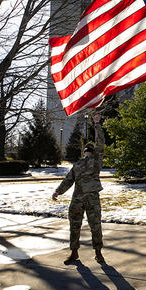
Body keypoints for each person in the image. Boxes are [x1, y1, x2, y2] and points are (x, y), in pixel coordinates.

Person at [52, 114, 105, 265]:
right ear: (83, 152)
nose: (88, 151)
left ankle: (98, 252)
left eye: (90, 149)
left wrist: (97, 124)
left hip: (92, 198)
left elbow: (100, 143)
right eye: (86, 150)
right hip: (77, 199)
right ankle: (74, 252)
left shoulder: (96, 160)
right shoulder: (77, 165)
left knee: (95, 225)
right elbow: (68, 180)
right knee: (74, 225)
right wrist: (58, 191)